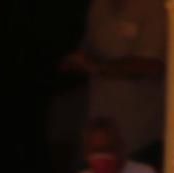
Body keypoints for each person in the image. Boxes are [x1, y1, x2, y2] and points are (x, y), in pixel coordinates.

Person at [66, 0, 167, 161]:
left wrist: (99, 68)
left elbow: (153, 65)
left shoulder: (154, 6)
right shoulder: (98, 6)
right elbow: (86, 52)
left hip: (140, 137)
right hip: (99, 131)